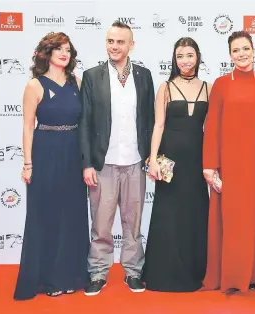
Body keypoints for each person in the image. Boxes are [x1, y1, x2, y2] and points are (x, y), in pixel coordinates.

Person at [202, 30, 255, 295]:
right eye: (236, 50)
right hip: (231, 165)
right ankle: (233, 276)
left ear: (254, 50)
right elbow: (212, 126)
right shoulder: (221, 84)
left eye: (245, 48)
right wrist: (210, 165)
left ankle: (252, 274)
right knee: (235, 221)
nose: (242, 54)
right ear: (229, 55)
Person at [79, 21, 155, 296]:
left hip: (135, 161)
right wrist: (87, 163)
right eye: (110, 41)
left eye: (120, 42)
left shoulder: (144, 76)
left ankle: (133, 272)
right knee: (101, 223)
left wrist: (151, 156)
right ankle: (98, 272)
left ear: (131, 45)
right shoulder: (91, 76)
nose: (114, 46)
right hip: (103, 163)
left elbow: (150, 119)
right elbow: (85, 122)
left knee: (132, 223)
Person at [14, 32, 89, 300]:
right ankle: (47, 279)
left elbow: (85, 124)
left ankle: (70, 275)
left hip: (73, 154)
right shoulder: (35, 85)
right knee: (47, 217)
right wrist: (27, 163)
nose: (64, 53)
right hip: (46, 154)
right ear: (46, 53)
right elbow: (27, 127)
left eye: (67, 49)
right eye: (58, 48)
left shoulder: (77, 82)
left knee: (72, 216)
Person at [141, 37, 210, 292]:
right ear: (174, 59)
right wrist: (153, 159)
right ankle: (163, 272)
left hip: (197, 159)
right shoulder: (166, 88)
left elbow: (212, 128)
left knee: (194, 213)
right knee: (168, 213)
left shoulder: (208, 87)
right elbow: (158, 125)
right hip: (169, 159)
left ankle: (193, 269)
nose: (185, 61)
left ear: (197, 57)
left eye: (190, 55)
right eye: (180, 56)